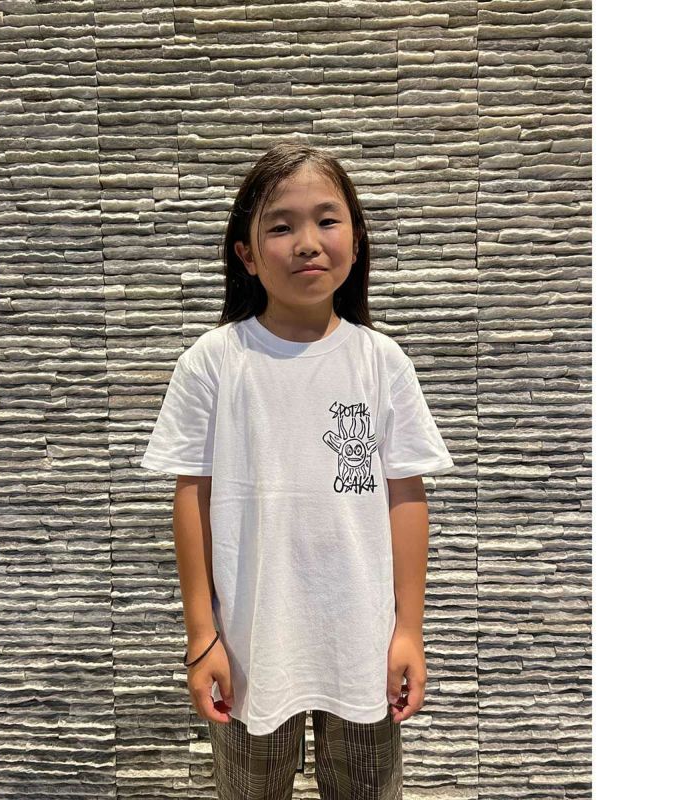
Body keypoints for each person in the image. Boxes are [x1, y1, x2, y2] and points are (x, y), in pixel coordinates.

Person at [140, 142, 455, 799]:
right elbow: (191, 498)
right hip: (250, 643)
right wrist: (202, 638)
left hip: (363, 642)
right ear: (247, 255)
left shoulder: (382, 362)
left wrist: (408, 631)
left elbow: (406, 496)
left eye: (327, 220)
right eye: (281, 226)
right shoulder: (213, 362)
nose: (308, 242)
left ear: (356, 241)